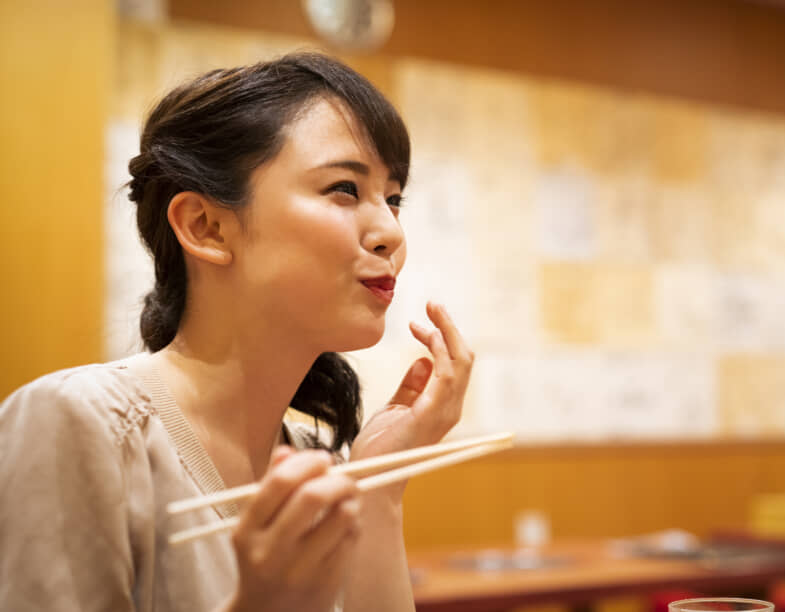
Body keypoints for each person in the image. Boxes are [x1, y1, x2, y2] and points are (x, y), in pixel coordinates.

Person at [0, 52, 473, 612]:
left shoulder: (312, 467)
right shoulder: (81, 422)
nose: (390, 232)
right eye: (345, 188)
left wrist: (380, 486)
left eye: (393, 199)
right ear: (206, 227)